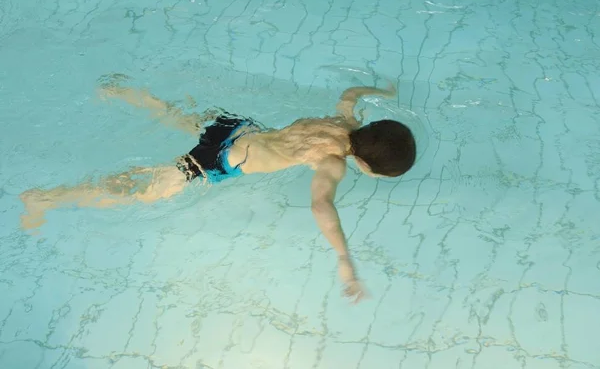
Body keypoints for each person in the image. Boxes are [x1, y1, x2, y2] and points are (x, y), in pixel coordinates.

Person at [20, 74, 417, 303]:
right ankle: (45, 199)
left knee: (175, 115)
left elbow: (351, 93)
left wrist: (383, 92)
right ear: (364, 165)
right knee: (141, 191)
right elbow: (320, 205)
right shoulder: (333, 163)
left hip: (236, 128)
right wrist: (344, 258)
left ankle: (122, 92)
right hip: (221, 162)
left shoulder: (343, 121)